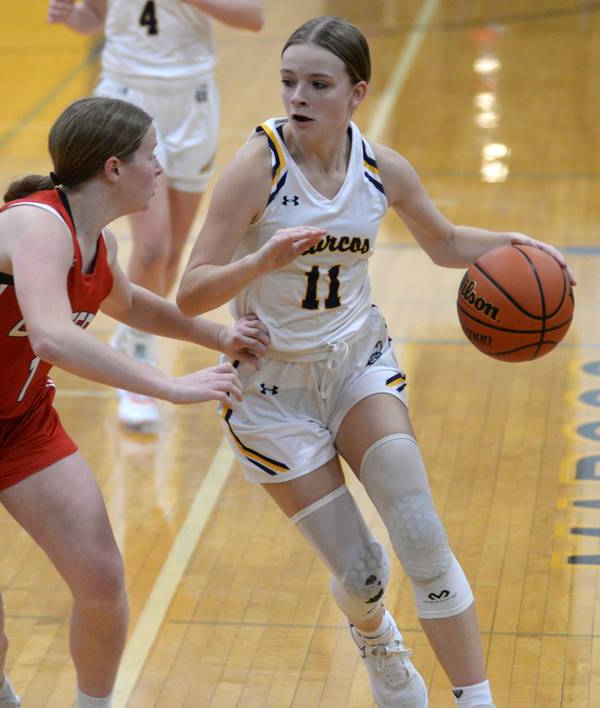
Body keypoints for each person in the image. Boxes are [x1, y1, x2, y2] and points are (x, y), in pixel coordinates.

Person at [176, 16, 576, 708]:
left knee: (420, 533)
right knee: (363, 572)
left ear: (356, 92)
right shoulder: (258, 166)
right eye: (289, 81)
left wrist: (515, 247)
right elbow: (190, 291)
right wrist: (260, 260)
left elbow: (445, 241)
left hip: (357, 360)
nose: (298, 96)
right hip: (272, 391)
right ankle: (376, 638)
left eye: (318, 84)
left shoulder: (380, 168)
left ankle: (476, 699)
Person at [0, 96, 269, 708]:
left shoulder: (95, 242)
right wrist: (168, 385)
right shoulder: (36, 225)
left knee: (102, 578)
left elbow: (131, 306)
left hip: (18, 423)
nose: (159, 168)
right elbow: (53, 334)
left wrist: (216, 335)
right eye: (150, 156)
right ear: (113, 168)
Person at [47, 0, 264, 431]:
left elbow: (252, 17)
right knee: (152, 245)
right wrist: (75, 18)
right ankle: (137, 363)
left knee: (172, 253)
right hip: (126, 95)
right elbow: (100, 16)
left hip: (193, 98)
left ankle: (133, 336)